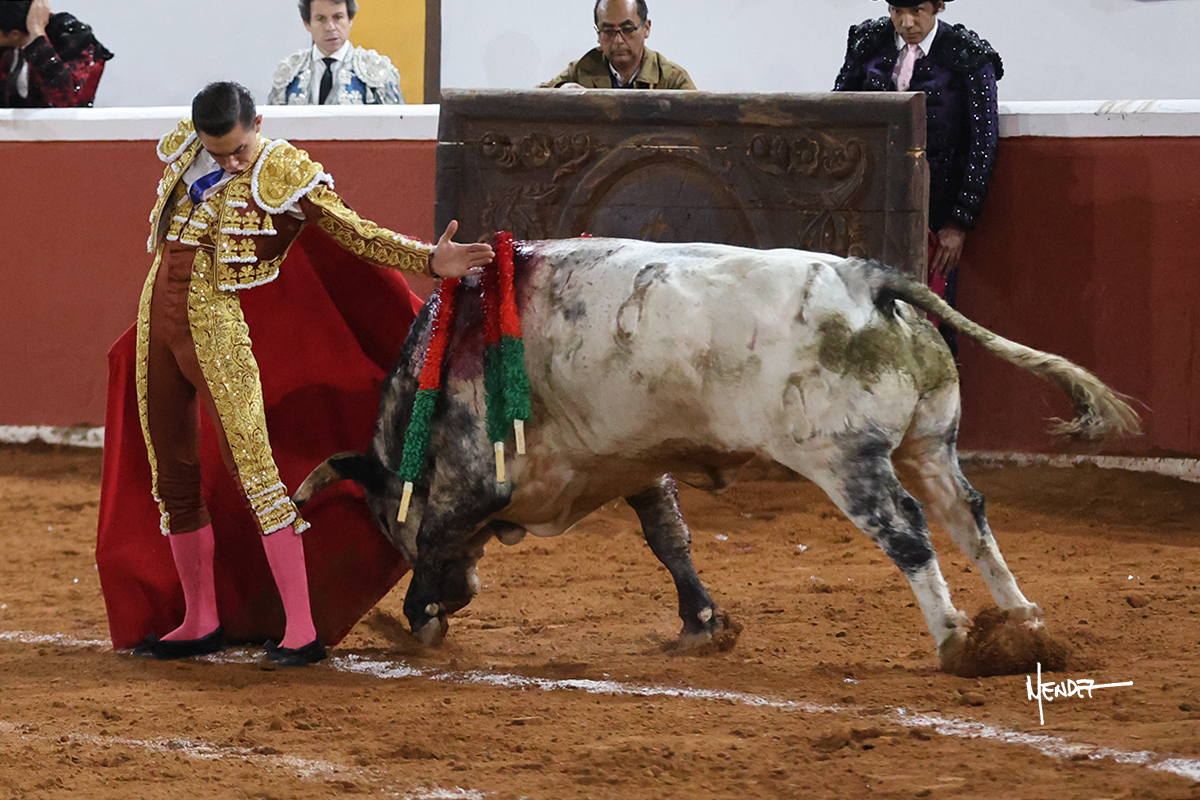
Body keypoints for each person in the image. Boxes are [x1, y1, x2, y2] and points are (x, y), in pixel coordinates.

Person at [125, 81, 492, 666]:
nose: (230, 162)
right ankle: (200, 618)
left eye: (238, 150)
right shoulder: (187, 149)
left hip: (216, 326)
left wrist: (427, 258)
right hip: (157, 319)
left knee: (256, 472)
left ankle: (301, 628)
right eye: (217, 153)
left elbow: (353, 231)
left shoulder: (283, 171)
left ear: (258, 124)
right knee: (171, 474)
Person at [833, 0, 1002, 353]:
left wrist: (959, 222)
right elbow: (839, 114)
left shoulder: (968, 54)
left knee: (933, 319)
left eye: (917, 11)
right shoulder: (868, 42)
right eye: (897, 11)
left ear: (937, 6)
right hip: (871, 202)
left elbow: (982, 142)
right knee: (865, 315)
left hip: (936, 207)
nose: (907, 22)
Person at [269, 0, 403, 105]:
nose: (330, 27)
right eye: (321, 19)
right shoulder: (289, 72)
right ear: (307, 23)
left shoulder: (377, 71)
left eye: (338, 17)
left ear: (350, 20)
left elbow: (398, 125)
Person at [539, 0, 695, 90]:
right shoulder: (583, 69)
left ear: (646, 28)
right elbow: (534, 101)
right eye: (608, 31)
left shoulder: (671, 79)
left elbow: (700, 125)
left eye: (627, 29)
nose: (618, 40)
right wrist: (562, 91)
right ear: (598, 32)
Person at [0, 0, 112, 107]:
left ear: (14, 34)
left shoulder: (71, 41)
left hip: (61, 120)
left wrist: (37, 38)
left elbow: (68, 103)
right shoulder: (7, 48)